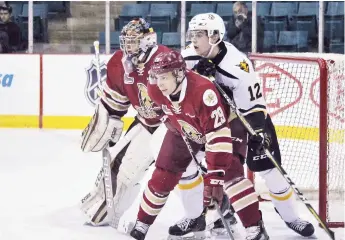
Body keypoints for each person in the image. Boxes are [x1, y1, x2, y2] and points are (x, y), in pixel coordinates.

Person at [182, 12, 315, 237]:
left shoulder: (237, 65)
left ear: (214, 36)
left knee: (268, 169)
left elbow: (254, 106)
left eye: (199, 35)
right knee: (217, 166)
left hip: (247, 119)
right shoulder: (188, 57)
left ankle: (292, 217)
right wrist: (197, 75)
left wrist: (258, 132)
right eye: (192, 34)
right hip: (216, 122)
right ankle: (226, 209)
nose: (194, 40)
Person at [129, 50, 269, 240]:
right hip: (185, 126)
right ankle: (142, 222)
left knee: (231, 174)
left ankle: (255, 229)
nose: (159, 82)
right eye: (156, 77)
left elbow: (217, 136)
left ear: (178, 74)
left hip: (225, 125)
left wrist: (215, 179)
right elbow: (158, 107)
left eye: (164, 77)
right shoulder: (155, 88)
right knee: (164, 172)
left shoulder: (204, 93)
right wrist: (167, 119)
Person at [80, 18, 172, 228]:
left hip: (171, 126)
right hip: (145, 122)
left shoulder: (166, 59)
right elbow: (116, 103)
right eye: (126, 41)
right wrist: (107, 122)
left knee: (185, 173)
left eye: (133, 41)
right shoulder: (120, 62)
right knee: (121, 167)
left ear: (148, 40)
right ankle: (108, 209)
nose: (127, 46)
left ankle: (215, 210)